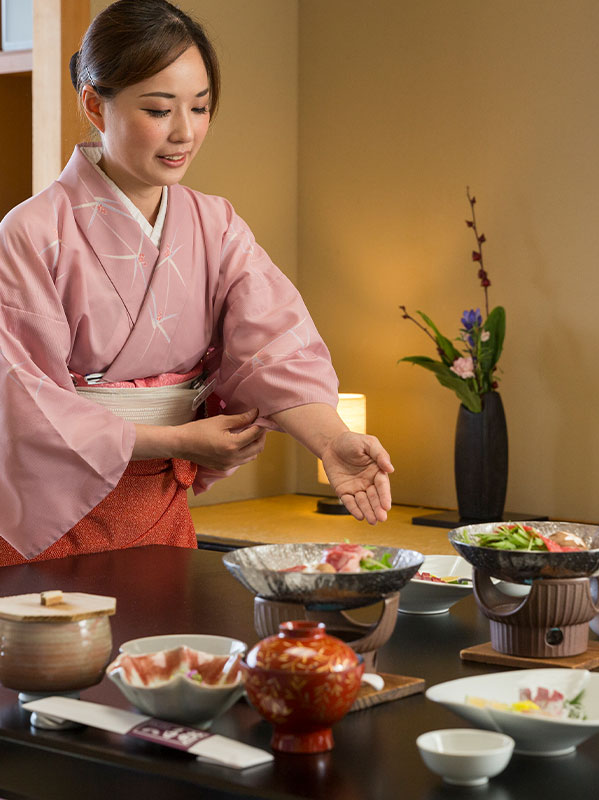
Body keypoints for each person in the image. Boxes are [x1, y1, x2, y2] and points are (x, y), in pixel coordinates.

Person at [0, 0, 393, 566]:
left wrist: (332, 442)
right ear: (94, 103)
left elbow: (276, 345)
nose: (184, 132)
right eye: (159, 109)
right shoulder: (31, 231)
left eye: (200, 107)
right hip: (50, 512)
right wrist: (179, 441)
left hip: (160, 504)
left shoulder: (216, 224)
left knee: (168, 651)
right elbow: (23, 402)